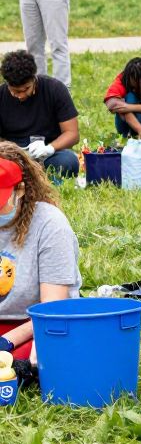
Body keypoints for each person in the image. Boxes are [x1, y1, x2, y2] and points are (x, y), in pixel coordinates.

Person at [0, 143, 81, 363]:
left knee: (50, 349)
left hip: (37, 325)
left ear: (21, 190)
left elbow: (51, 309)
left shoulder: (49, 224)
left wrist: (7, 341)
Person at [0, 51, 79, 178]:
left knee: (68, 161)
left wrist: (50, 148)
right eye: (15, 91)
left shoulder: (55, 89)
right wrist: (10, 151)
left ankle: (29, 177)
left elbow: (72, 134)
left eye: (26, 89)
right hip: (11, 156)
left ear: (34, 78)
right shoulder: (1, 95)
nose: (20, 95)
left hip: (47, 154)